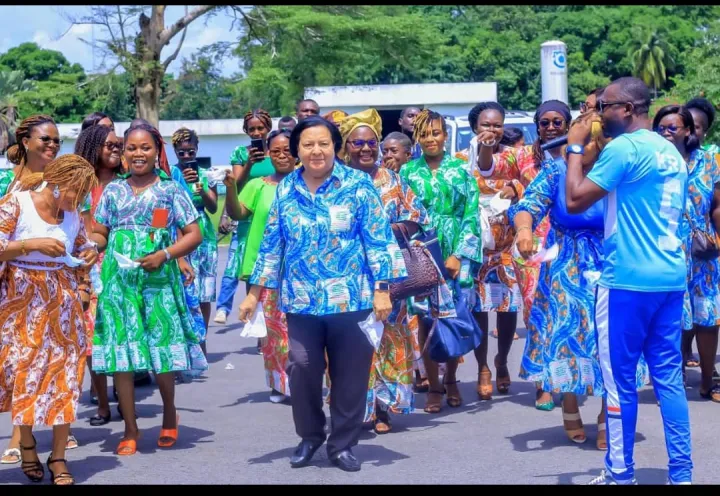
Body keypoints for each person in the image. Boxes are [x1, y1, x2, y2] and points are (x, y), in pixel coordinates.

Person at [238, 116, 406, 472]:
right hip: (301, 300)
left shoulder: (358, 186)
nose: (316, 151)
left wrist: (382, 289)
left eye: (324, 143)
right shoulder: (286, 189)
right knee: (301, 367)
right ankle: (311, 434)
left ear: (335, 147)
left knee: (351, 376)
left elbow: (379, 240)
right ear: (297, 150)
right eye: (308, 144)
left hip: (353, 299)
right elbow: (271, 246)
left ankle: (342, 444)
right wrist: (254, 294)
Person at [564, 76, 692, 485]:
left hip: (627, 281)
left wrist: (573, 146)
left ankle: (620, 474)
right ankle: (682, 476)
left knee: (619, 383)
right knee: (669, 381)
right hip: (670, 278)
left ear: (628, 109)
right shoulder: (670, 152)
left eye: (605, 106)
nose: (599, 114)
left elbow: (574, 199)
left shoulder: (624, 148)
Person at [90, 122, 208, 456]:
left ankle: (169, 411)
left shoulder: (170, 190)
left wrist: (166, 254)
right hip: (119, 283)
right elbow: (101, 231)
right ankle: (130, 427)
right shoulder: (113, 190)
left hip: (158, 281)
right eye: (131, 148)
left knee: (161, 351)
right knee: (122, 354)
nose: (138, 154)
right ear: (124, 154)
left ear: (157, 152)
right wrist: (93, 248)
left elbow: (193, 233)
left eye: (145, 148)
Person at [339, 109, 452, 433]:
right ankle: (355, 408)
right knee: (350, 341)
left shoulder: (393, 181)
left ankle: (383, 409)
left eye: (370, 142)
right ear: (346, 145)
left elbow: (419, 217)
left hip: (389, 277)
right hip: (346, 276)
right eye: (357, 142)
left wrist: (388, 229)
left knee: (388, 339)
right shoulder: (335, 182)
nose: (365, 148)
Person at [0, 154, 99, 485]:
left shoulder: (71, 215)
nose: (79, 200)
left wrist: (89, 253)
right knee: (23, 374)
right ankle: (27, 443)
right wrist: (31, 244)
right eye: (77, 191)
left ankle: (58, 457)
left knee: (66, 377)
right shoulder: (17, 203)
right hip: (21, 303)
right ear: (57, 182)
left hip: (63, 303)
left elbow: (85, 246)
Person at [399, 109, 483, 412]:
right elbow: (403, 214)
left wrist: (458, 255)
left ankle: (451, 381)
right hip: (421, 251)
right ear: (417, 137)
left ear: (445, 136)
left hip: (453, 251)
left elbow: (471, 215)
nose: (431, 138)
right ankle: (433, 385)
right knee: (424, 319)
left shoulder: (460, 171)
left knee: (450, 317)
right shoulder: (408, 172)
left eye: (436, 133)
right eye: (425, 133)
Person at [223, 129, 296, 403]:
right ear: (267, 153)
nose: (281, 155)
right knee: (275, 332)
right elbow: (237, 213)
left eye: (287, 149)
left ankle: (304, 381)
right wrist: (231, 188)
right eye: (275, 150)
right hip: (266, 270)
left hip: (303, 268)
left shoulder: (309, 182)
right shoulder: (259, 184)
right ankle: (280, 384)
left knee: (302, 331)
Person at [653, 105, 720, 400]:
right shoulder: (652, 162)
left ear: (690, 131)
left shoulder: (708, 161)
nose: (667, 133)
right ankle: (672, 377)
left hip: (704, 250)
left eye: (673, 128)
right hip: (665, 249)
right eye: (662, 128)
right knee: (672, 317)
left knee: (707, 317)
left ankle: (708, 379)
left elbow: (717, 205)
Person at [73, 123, 125, 426]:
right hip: (89, 265)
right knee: (93, 337)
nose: (116, 149)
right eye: (110, 145)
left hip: (124, 265)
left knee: (121, 333)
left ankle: (124, 393)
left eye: (118, 144)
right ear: (94, 147)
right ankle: (102, 403)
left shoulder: (128, 182)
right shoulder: (80, 185)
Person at [215, 109, 275, 326]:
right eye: (252, 129)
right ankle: (251, 322)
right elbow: (236, 187)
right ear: (245, 131)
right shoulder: (241, 153)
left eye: (260, 128)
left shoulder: (278, 151)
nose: (257, 132)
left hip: (271, 216)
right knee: (247, 268)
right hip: (247, 217)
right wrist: (249, 163)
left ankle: (269, 324)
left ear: (268, 128)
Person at [170, 127, 219, 346]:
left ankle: (202, 340)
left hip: (204, 233)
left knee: (204, 292)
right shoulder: (170, 174)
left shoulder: (207, 173)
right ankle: (185, 341)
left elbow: (214, 207)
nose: (187, 156)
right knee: (183, 288)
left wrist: (200, 190)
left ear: (197, 149)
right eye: (182, 152)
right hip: (179, 232)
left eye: (191, 151)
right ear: (175, 152)